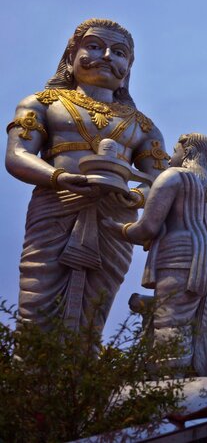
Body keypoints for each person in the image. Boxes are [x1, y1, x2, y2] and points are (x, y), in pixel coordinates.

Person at [5, 18, 167, 333]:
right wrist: (59, 178)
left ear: (128, 69)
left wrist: (135, 197)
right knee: (37, 307)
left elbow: (161, 184)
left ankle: (86, 376)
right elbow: (17, 155)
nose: (107, 56)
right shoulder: (43, 104)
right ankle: (31, 375)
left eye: (119, 53)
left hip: (114, 221)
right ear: (70, 56)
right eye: (94, 46)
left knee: (93, 313)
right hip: (56, 206)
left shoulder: (143, 127)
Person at [106, 133, 207, 375]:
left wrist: (115, 228)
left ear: (188, 153)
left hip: (180, 257)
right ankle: (190, 380)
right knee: (195, 332)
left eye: (175, 150)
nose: (171, 157)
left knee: (168, 326)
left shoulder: (174, 177)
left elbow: (147, 227)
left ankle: (167, 387)